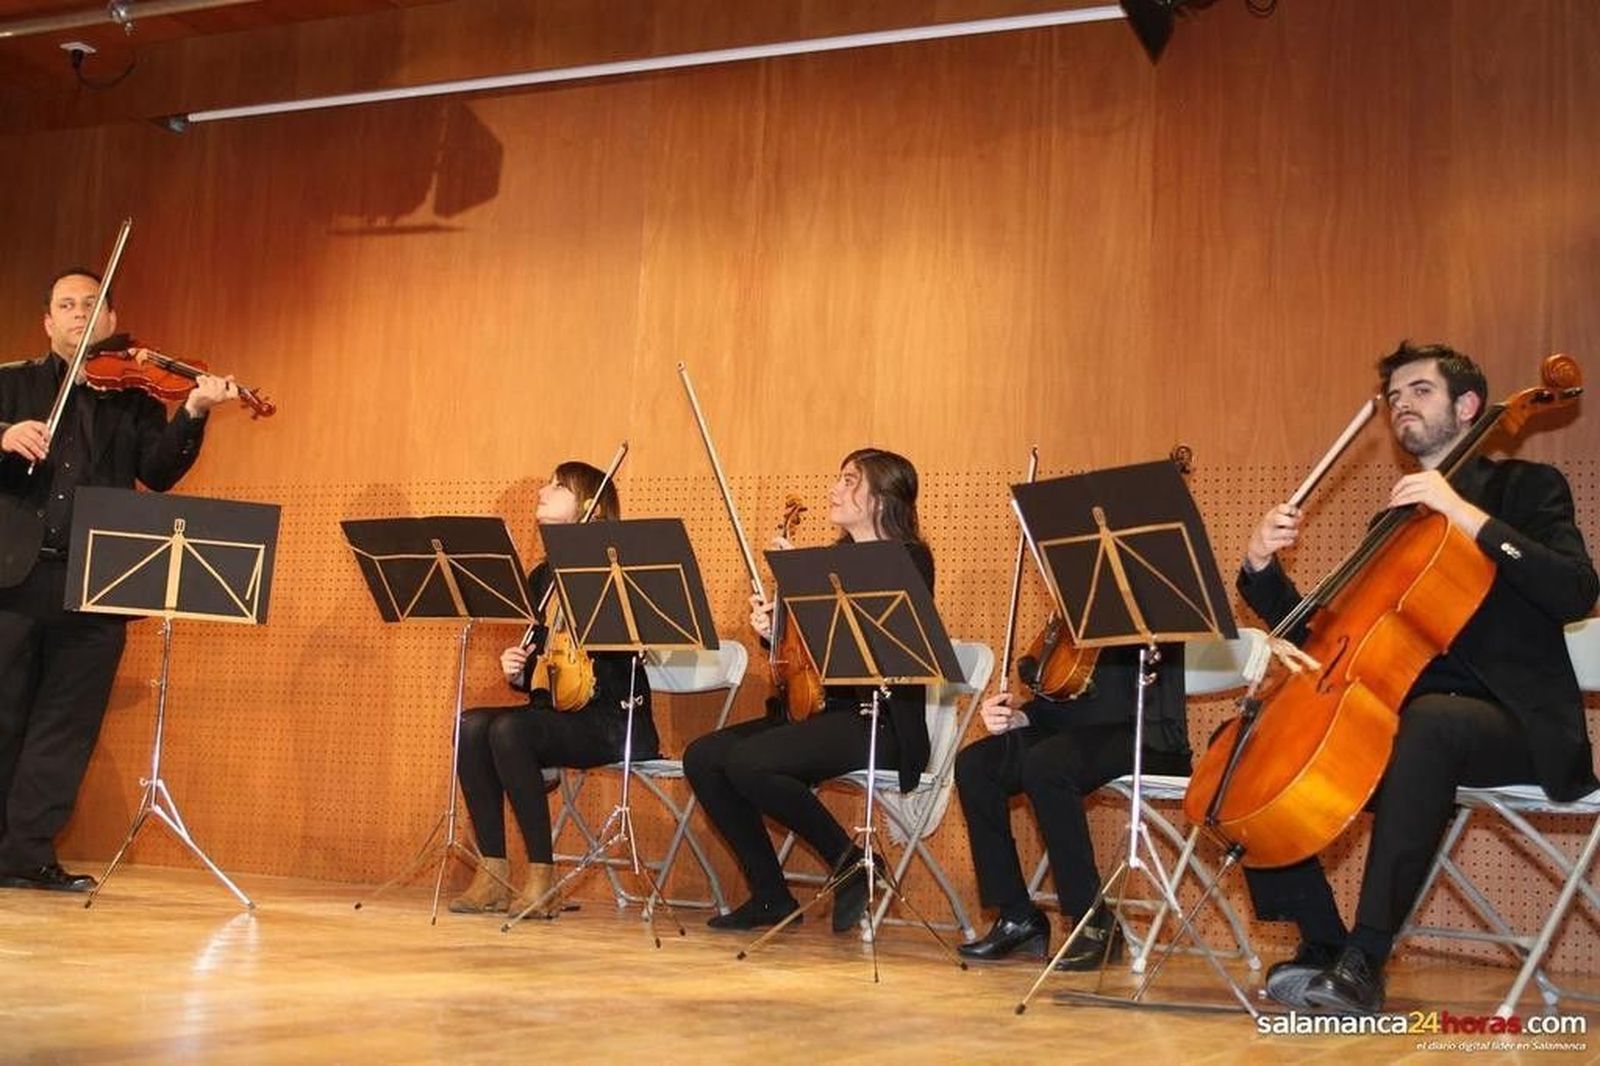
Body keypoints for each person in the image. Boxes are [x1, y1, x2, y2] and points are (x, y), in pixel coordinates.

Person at [1238, 341, 1598, 1014]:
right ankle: (1324, 943)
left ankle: (1365, 963)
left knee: (1429, 724)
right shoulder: (1394, 522)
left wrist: (1463, 514)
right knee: (1254, 743)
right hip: (1410, 722)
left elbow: (1577, 590)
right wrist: (1261, 570)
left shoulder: (1526, 490)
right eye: (1394, 397)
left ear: (1467, 407)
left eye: (1420, 391)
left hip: (1514, 721)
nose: (1402, 404)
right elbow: (1332, 641)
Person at [0, 267, 237, 892]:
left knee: (66, 727)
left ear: (110, 320)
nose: (81, 314)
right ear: (48, 321)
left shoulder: (133, 397)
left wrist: (192, 410)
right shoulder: (12, 384)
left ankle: (25, 857)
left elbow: (158, 474)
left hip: (96, 582)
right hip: (12, 580)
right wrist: (2, 434)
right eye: (67, 305)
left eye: (93, 304)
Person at [683, 448, 932, 933]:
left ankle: (851, 863)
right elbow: (803, 657)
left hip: (876, 717)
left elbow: (879, 643)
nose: (833, 490)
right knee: (704, 755)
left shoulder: (910, 558)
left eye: (848, 481)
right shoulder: (832, 560)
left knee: (750, 762)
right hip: (817, 710)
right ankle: (771, 895)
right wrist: (773, 630)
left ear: (882, 496)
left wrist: (805, 589)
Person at [449, 461, 658, 916]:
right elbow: (544, 674)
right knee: (470, 724)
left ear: (590, 506)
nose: (543, 491)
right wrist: (518, 669)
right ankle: (494, 873)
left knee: (510, 731)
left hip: (612, 719)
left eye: (558, 486)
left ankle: (542, 877)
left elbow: (630, 654)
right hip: (559, 714)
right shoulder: (544, 578)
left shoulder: (615, 570)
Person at [953, 643, 1187, 968]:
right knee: (975, 764)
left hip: (1144, 729)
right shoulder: (1071, 615)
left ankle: (1091, 919)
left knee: (1046, 765)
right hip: (1068, 735)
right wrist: (1021, 716)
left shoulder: (1152, 602)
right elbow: (1060, 700)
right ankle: (1017, 917)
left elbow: (1112, 699)